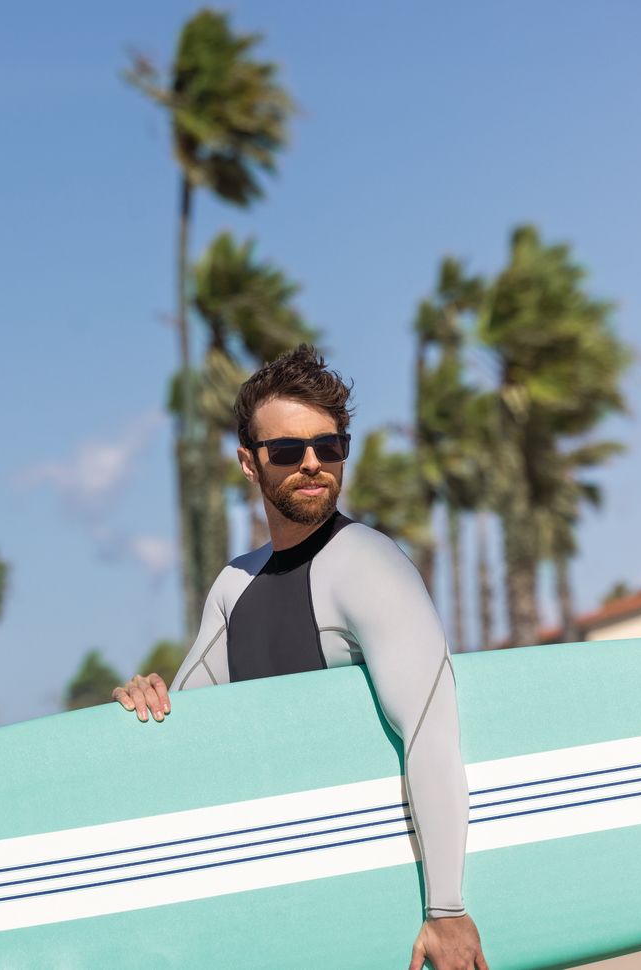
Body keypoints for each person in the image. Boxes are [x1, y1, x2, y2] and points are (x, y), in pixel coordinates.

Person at [112, 344, 488, 970]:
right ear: (248, 464)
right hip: (287, 922)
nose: (312, 464)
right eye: (287, 450)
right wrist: (146, 700)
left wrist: (446, 909)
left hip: (388, 916)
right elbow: (187, 729)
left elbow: (429, 731)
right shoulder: (234, 587)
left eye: (329, 446)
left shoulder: (368, 564)